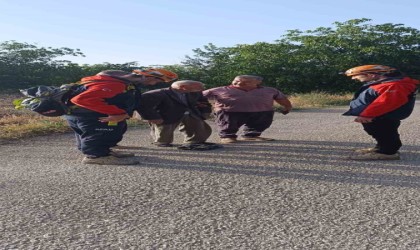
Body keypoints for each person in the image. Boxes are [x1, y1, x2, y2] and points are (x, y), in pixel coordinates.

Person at [65, 68, 178, 165]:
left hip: (80, 115)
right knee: (101, 134)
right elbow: (82, 99)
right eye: (156, 81)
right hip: (92, 116)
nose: (153, 84)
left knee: (87, 133)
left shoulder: (106, 81)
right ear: (149, 77)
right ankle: (97, 157)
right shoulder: (114, 84)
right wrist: (117, 113)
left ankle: (103, 151)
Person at [342, 64, 419, 160]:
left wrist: (368, 115)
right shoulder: (383, 83)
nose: (354, 78)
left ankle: (388, 152)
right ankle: (381, 147)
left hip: (383, 115)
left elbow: (385, 102)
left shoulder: (394, 85)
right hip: (379, 115)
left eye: (356, 75)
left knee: (383, 131)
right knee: (378, 131)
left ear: (372, 75)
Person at [202, 75, 292, 143]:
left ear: (257, 83)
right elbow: (198, 96)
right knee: (228, 124)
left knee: (261, 122)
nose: (239, 83)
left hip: (262, 112)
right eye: (236, 81)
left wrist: (287, 107)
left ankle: (251, 135)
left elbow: (282, 99)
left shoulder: (270, 90)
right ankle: (227, 136)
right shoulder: (220, 90)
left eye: (245, 82)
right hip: (229, 112)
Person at [137, 80, 221, 150]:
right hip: (166, 114)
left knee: (199, 127)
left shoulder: (196, 93)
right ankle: (162, 142)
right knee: (164, 132)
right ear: (183, 87)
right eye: (198, 87)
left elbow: (204, 102)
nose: (202, 89)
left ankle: (194, 141)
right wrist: (153, 117)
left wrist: (204, 113)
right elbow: (143, 106)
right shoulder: (156, 94)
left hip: (189, 113)